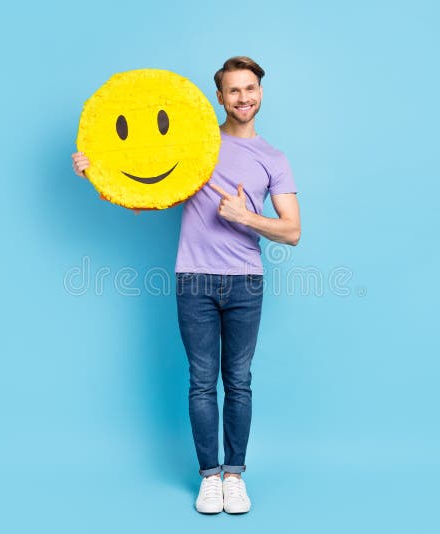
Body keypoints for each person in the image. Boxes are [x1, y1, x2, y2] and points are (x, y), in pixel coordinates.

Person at [72, 56, 300, 514]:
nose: (243, 97)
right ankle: (208, 478)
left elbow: (291, 231)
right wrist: (94, 172)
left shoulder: (274, 158)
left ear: (260, 93)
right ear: (219, 97)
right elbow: (145, 197)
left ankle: (234, 475)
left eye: (250, 88)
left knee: (238, 381)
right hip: (193, 279)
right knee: (201, 381)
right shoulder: (195, 145)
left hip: (246, 283)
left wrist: (244, 217)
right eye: (233, 90)